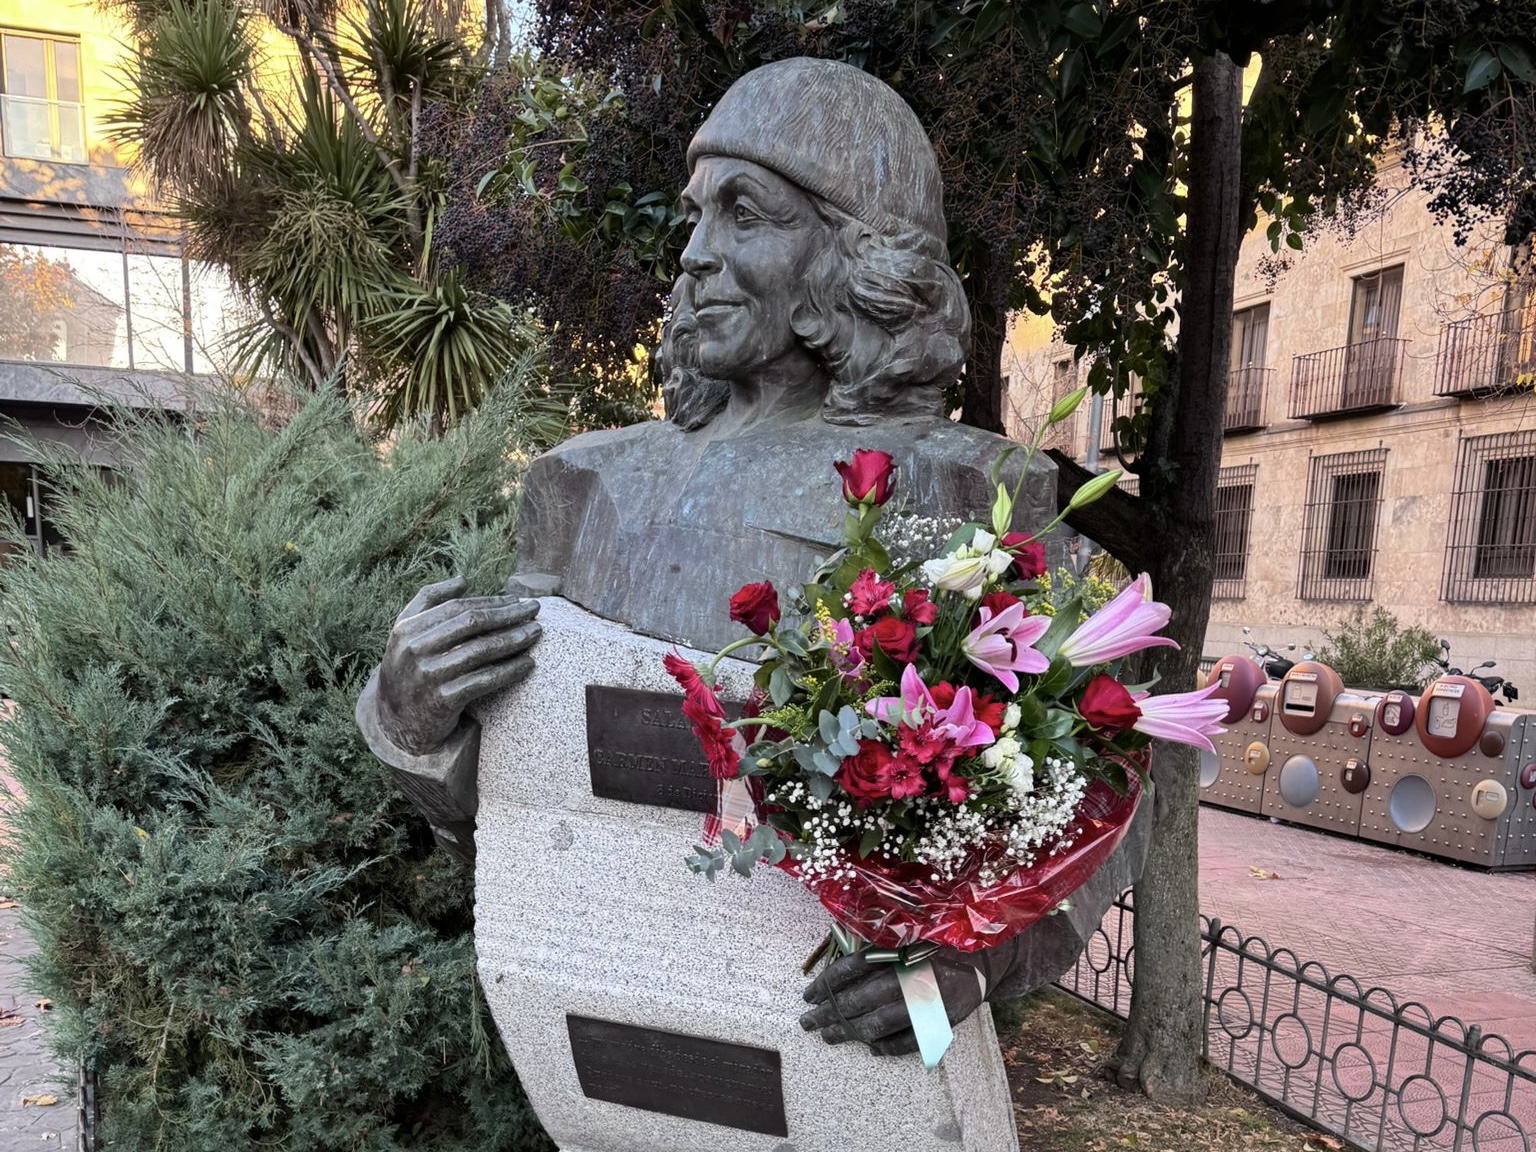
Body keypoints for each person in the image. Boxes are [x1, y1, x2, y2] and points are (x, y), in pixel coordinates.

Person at [356, 58, 1142, 1059]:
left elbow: (1110, 778)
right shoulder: (583, 483)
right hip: (625, 1020)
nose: (694, 254)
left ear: (854, 255)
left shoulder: (968, 489)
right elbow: (526, 799)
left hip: (836, 1054)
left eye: (744, 213)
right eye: (696, 216)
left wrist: (966, 970)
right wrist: (412, 722)